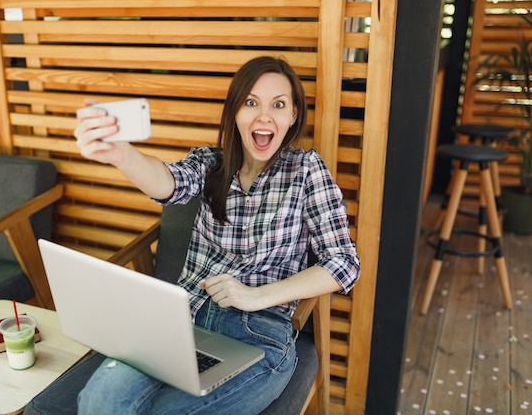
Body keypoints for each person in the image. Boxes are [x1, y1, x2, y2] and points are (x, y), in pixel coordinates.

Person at [73, 56, 360, 415]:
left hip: (256, 333)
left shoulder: (306, 171)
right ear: (235, 112)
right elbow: (169, 183)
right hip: (176, 321)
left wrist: (257, 296)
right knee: (99, 403)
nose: (264, 116)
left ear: (293, 115)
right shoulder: (210, 163)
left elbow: (344, 263)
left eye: (278, 104)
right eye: (251, 102)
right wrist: (123, 156)